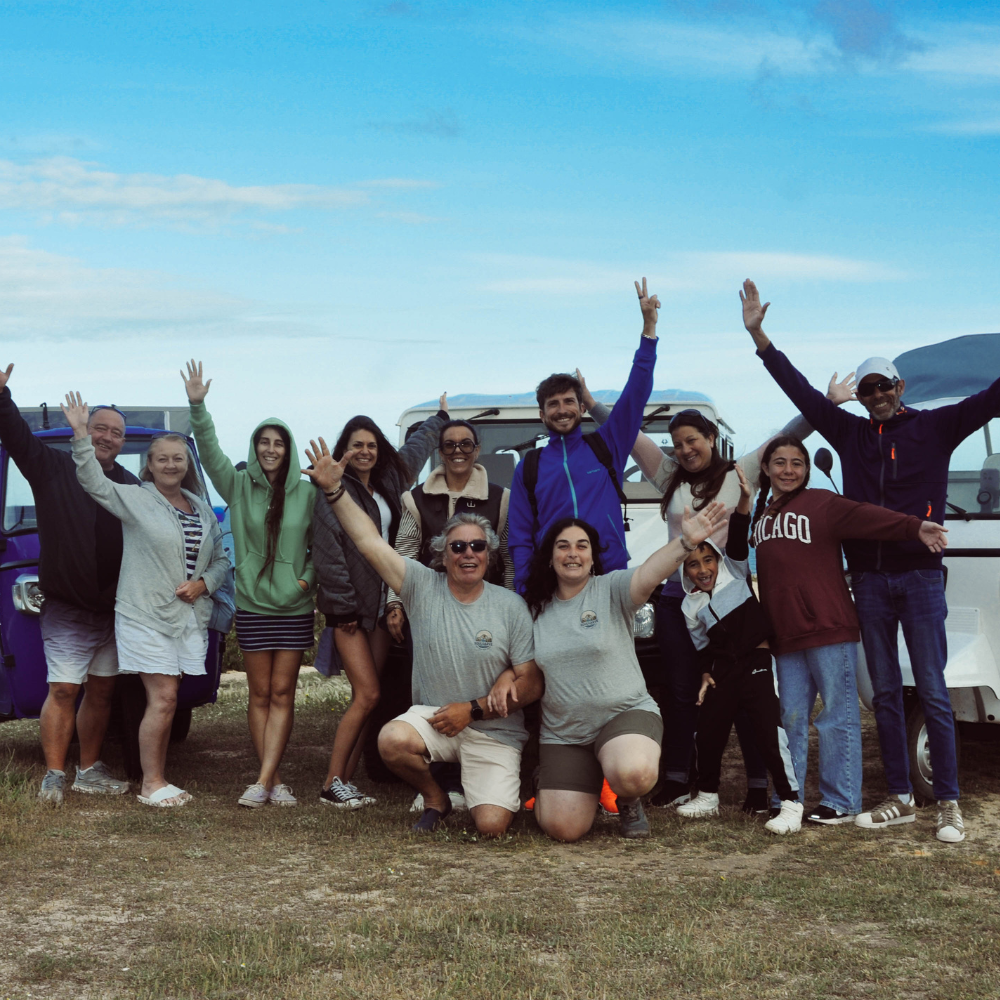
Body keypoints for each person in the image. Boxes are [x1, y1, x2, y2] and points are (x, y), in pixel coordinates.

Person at [741, 278, 984, 844]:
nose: (875, 394)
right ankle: (899, 795)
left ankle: (948, 801)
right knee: (887, 695)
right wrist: (759, 336)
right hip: (869, 581)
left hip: (920, 576)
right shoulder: (850, 434)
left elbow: (991, 399)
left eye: (883, 386)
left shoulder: (937, 426)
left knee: (932, 688)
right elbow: (800, 395)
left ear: (900, 387)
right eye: (868, 387)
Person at [580, 369, 855, 810]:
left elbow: (787, 436)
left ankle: (759, 786)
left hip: (731, 604)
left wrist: (828, 402)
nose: (686, 449)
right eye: (679, 442)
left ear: (711, 437)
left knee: (746, 691)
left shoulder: (739, 470)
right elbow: (629, 433)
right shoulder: (668, 473)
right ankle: (676, 779)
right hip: (677, 599)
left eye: (695, 439)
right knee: (681, 689)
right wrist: (592, 404)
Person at [302, 437, 542, 837]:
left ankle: (485, 788)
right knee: (392, 739)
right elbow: (368, 541)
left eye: (478, 547)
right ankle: (436, 797)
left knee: (492, 827)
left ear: (489, 554)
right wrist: (334, 490)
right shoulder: (420, 586)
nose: (468, 553)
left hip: (492, 728)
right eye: (458, 546)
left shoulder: (509, 605)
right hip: (435, 721)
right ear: (441, 555)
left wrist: (475, 709)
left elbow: (531, 683)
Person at [748, 435, 947, 827]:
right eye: (780, 463)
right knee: (789, 717)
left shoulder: (822, 503)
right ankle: (790, 798)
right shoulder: (762, 513)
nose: (788, 470)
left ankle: (841, 800)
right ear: (766, 469)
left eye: (797, 463)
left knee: (836, 717)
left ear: (806, 470)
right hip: (785, 636)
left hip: (829, 627)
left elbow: (869, 516)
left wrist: (914, 527)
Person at [514, 501, 728, 842]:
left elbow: (649, 572)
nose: (573, 554)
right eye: (563, 546)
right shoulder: (533, 610)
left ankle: (628, 801)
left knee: (633, 773)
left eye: (582, 546)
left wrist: (684, 543)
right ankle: (560, 777)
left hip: (624, 715)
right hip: (565, 734)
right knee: (563, 829)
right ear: (549, 556)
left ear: (592, 555)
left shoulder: (611, 589)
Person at [64, 395, 229, 807]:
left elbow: (222, 559)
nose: (171, 465)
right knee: (164, 697)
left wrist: (204, 584)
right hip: (144, 614)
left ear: (186, 465)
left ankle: (155, 778)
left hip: (186, 616)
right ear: (149, 465)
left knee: (168, 697)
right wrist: (81, 434)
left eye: (178, 458)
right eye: (162, 459)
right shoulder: (135, 498)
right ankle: (151, 784)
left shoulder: (201, 510)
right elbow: (91, 481)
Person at [182, 361, 316, 809]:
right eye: (264, 441)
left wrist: (304, 581)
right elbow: (210, 449)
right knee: (260, 695)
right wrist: (197, 406)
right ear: (256, 447)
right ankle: (270, 780)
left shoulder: (307, 492)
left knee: (283, 693)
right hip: (254, 606)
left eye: (279, 443)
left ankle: (263, 780)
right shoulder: (237, 485)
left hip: (294, 607)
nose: (271, 449)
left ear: (288, 448)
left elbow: (322, 548)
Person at [0, 364, 135, 805]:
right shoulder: (52, 467)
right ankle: (54, 774)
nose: (107, 437)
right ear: (84, 429)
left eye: (115, 432)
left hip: (114, 608)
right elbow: (17, 437)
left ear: (122, 441)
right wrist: (2, 395)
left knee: (101, 690)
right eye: (100, 427)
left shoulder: (130, 484)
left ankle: (89, 769)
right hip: (67, 606)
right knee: (63, 689)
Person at [312, 401, 448, 809]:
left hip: (384, 602)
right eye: (357, 445)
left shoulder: (389, 478)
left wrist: (438, 420)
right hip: (351, 610)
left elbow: (417, 449)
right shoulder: (334, 489)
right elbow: (328, 553)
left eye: (371, 444)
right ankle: (331, 783)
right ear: (344, 450)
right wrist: (342, 608)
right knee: (367, 695)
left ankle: (344, 781)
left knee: (369, 699)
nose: (365, 452)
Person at [384, 417, 514, 814]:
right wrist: (395, 602)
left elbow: (506, 557)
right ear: (439, 452)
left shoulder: (501, 497)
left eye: (466, 444)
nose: (458, 451)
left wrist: (507, 606)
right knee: (431, 689)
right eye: (449, 445)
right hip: (432, 607)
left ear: (478, 449)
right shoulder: (415, 498)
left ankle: (475, 779)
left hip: (483, 608)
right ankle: (436, 784)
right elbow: (403, 553)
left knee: (481, 685)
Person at [507, 278, 659, 595]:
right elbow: (520, 536)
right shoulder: (529, 467)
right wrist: (525, 589)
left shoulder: (607, 446)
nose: (562, 410)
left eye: (568, 402)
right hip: (553, 583)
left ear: (582, 408)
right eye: (553, 404)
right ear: (542, 414)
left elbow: (635, 395)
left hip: (609, 577)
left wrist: (648, 332)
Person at [676, 465, 802, 834]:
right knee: (709, 728)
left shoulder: (734, 568)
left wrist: (745, 499)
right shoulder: (689, 606)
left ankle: (791, 801)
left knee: (767, 730)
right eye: (693, 564)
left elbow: (740, 530)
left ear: (718, 558)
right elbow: (701, 649)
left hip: (758, 662)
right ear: (685, 572)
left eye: (707, 560)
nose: (703, 569)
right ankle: (708, 795)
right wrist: (705, 673)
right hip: (723, 671)